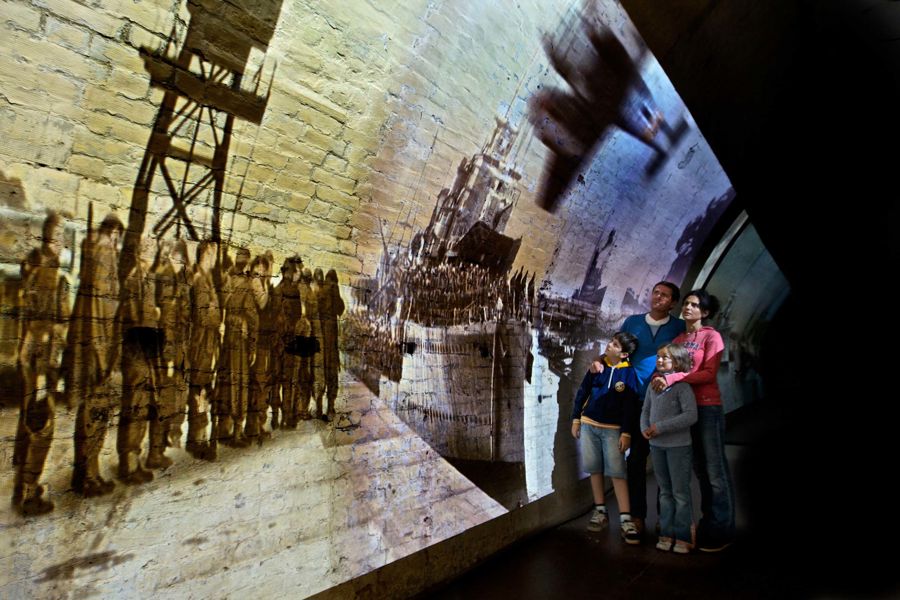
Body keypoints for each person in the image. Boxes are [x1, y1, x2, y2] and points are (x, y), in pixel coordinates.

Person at [592, 281, 685, 536]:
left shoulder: (679, 327)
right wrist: (600, 363)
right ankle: (637, 516)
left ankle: (664, 519)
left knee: (663, 462)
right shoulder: (633, 322)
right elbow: (617, 351)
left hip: (664, 401)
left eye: (665, 295)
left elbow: (683, 361)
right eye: (656, 292)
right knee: (635, 460)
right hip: (634, 399)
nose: (658, 297)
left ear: (673, 303)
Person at [650, 289, 735, 552]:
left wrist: (674, 378)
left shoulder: (712, 337)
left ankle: (720, 527)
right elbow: (668, 367)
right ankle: (693, 524)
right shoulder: (678, 339)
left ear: (705, 312)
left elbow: (708, 373)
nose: (687, 307)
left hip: (707, 408)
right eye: (685, 303)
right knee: (697, 468)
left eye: (694, 305)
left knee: (714, 470)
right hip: (682, 410)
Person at [12, 211, 71, 514]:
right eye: (60, 236)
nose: (62, 243)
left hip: (35, 356)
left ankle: (22, 486)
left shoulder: (39, 269)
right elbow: (44, 321)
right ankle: (28, 492)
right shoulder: (48, 273)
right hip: (41, 357)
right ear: (52, 239)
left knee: (31, 421)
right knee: (42, 423)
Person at [69, 214, 123, 497]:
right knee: (95, 410)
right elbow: (99, 312)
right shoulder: (103, 256)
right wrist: (104, 355)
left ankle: (89, 472)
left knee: (98, 411)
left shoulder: (100, 256)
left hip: (101, 346)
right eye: (116, 238)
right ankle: (87, 475)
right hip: (97, 349)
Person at [572, 331, 641, 544]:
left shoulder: (629, 375)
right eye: (611, 342)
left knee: (617, 472)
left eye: (615, 345)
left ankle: (625, 518)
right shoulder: (596, 368)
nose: (609, 346)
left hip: (613, 429)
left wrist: (627, 432)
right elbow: (583, 392)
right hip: (590, 425)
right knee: (594, 469)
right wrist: (576, 418)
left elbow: (631, 407)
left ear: (624, 354)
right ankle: (600, 510)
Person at [641, 343, 697, 554]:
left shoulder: (682, 386)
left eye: (665, 357)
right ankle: (666, 532)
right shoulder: (652, 385)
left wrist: (661, 427)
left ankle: (683, 535)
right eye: (658, 356)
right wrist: (644, 428)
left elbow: (691, 415)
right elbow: (645, 410)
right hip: (657, 446)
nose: (660, 360)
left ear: (678, 361)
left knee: (680, 492)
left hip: (678, 446)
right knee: (664, 491)